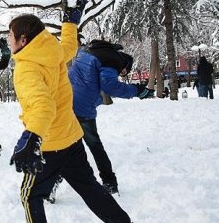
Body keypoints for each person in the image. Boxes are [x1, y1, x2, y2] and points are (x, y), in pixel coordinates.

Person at [7, 0, 155, 223]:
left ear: (23, 40)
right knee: (91, 190)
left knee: (30, 197)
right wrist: (70, 22)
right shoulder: (52, 52)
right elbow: (69, 47)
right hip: (72, 139)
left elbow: (43, 106)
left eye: (11, 36)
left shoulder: (27, 68)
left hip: (49, 146)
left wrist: (32, 137)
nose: (9, 41)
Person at [66, 40, 154, 195]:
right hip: (83, 107)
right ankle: (110, 183)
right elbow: (110, 86)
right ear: (124, 65)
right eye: (124, 72)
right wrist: (136, 90)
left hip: (65, 102)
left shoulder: (88, 50)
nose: (121, 74)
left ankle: (51, 183)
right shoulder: (113, 60)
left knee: (65, 146)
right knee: (94, 145)